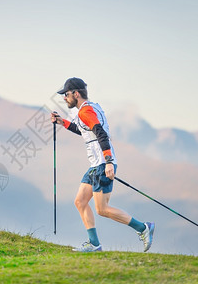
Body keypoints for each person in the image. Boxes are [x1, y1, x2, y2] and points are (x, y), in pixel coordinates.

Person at [51, 77, 155, 252]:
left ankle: (143, 228)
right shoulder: (90, 108)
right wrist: (63, 122)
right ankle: (94, 244)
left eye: (66, 94)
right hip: (95, 165)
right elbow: (84, 130)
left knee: (102, 209)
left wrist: (108, 162)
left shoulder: (86, 112)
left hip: (102, 165)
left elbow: (101, 135)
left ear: (76, 93)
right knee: (80, 201)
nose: (64, 98)